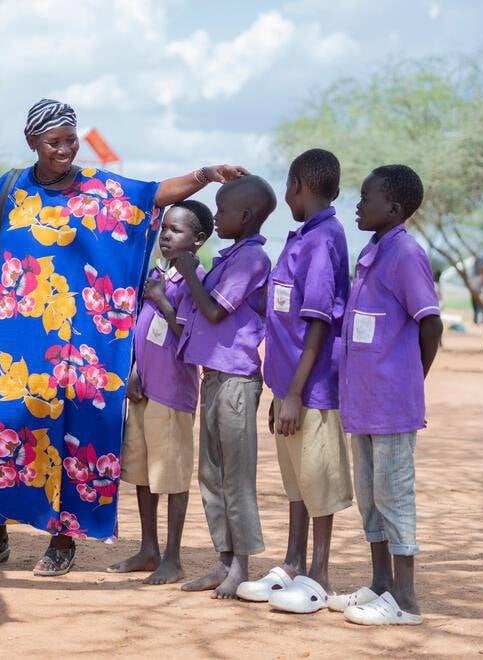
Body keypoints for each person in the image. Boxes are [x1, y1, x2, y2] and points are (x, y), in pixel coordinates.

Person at [0, 98, 248, 576]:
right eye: (54, 142)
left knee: (77, 429)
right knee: (7, 428)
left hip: (83, 341)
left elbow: (156, 194)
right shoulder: (10, 186)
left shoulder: (101, 188)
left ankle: (64, 540)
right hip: (19, 334)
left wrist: (206, 173)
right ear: (31, 142)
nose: (65, 150)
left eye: (70, 140)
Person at [236, 149, 353, 612]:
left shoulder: (325, 238)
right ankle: (291, 563)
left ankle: (319, 574)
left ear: (299, 185)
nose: (286, 196)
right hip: (289, 386)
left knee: (317, 481)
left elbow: (319, 320)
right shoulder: (300, 237)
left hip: (314, 388)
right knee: (296, 483)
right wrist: (280, 390)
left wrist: (297, 392)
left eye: (287, 188)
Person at [334, 165, 442, 625]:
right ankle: (380, 585)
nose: (358, 205)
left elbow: (430, 322)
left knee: (394, 495)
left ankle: (406, 601)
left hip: (392, 403)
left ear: (394, 209)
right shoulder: (373, 250)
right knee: (370, 496)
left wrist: (412, 378)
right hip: (364, 402)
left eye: (367, 197)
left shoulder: (405, 254)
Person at [174, 176, 276, 599]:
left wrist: (187, 271)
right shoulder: (228, 256)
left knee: (236, 477)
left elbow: (215, 311)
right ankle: (224, 559)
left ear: (246, 216)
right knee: (210, 475)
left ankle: (242, 566)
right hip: (213, 376)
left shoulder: (252, 260)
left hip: (236, 380)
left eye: (222, 211)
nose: (216, 218)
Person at [106, 201, 210, 585]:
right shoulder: (156, 273)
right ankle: (148, 548)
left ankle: (173, 557)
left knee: (172, 477)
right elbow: (142, 330)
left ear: (198, 239)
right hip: (143, 390)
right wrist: (133, 370)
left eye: (176, 231)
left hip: (173, 394)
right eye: (164, 228)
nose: (166, 235)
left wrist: (162, 299)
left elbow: (193, 334)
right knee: (143, 472)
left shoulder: (196, 280)